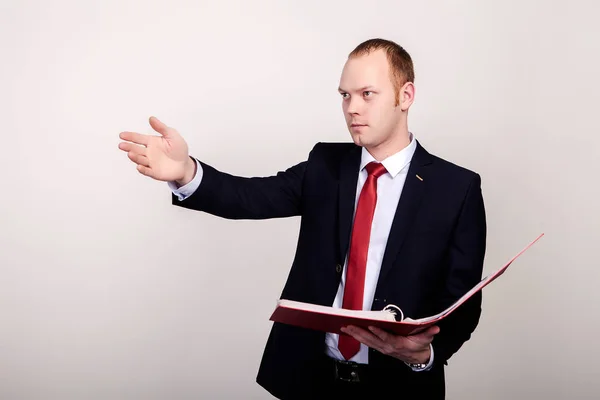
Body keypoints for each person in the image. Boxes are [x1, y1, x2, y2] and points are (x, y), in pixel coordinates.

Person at [118, 38, 486, 399]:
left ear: (405, 96)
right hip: (312, 380)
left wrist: (424, 356)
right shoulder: (326, 166)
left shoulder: (456, 188)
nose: (352, 108)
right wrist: (185, 172)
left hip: (399, 386)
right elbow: (249, 197)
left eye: (367, 94)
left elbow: (463, 302)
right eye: (345, 95)